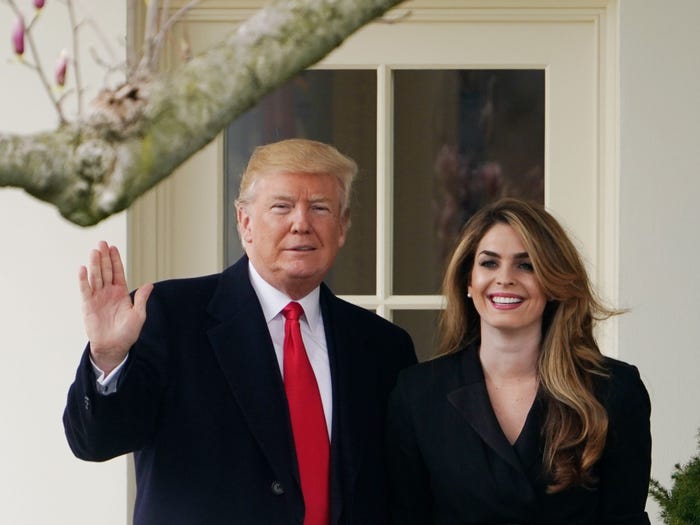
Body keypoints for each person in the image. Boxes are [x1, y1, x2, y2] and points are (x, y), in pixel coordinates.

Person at [63, 138, 416, 525]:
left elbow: (401, 490)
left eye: (320, 208)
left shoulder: (382, 347)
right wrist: (109, 357)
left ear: (343, 226)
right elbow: (96, 442)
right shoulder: (168, 315)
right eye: (282, 207)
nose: (301, 223)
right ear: (245, 222)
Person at [386, 198, 651, 525]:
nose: (505, 278)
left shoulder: (613, 389)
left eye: (526, 265)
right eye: (489, 263)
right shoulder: (417, 394)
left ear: (553, 284)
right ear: (468, 282)